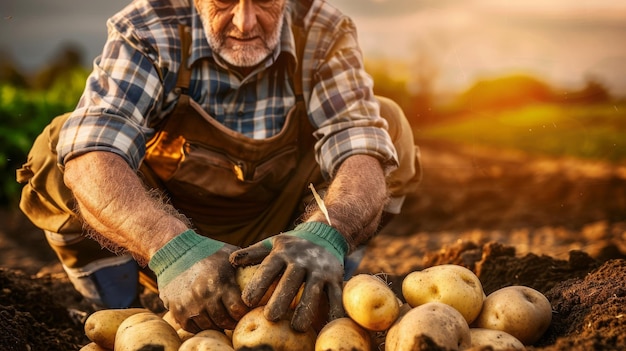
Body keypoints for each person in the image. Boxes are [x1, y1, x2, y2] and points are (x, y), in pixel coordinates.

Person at [16, 0, 421, 333]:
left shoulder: (322, 28)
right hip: (159, 230)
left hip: (286, 234)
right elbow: (93, 150)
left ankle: (317, 285)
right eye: (225, 1)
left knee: (388, 131)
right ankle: (121, 311)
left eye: (264, 2)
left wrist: (326, 233)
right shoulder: (149, 27)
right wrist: (171, 248)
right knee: (60, 148)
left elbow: (360, 144)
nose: (245, 22)